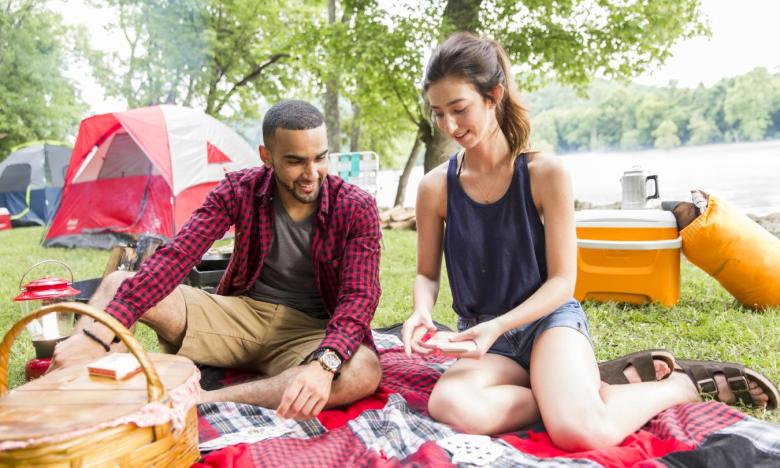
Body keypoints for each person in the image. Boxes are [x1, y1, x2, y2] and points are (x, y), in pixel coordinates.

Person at [401, 32, 772, 451]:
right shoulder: (436, 187)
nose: (449, 126)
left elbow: (563, 281)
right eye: (438, 114)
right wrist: (421, 310)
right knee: (452, 405)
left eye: (459, 109)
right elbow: (426, 274)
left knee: (581, 431)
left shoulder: (545, 173)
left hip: (548, 325)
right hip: (485, 340)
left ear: (494, 96)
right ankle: (579, 391)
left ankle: (680, 384)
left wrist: (499, 326)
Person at [50, 100, 383, 421]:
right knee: (118, 285)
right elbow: (178, 256)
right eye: (295, 161)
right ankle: (57, 390)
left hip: (310, 332)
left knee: (363, 370)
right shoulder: (238, 190)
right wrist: (96, 335)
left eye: (320, 158)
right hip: (240, 316)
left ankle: (200, 400)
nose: (312, 173)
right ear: (266, 157)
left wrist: (324, 365)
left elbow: (359, 298)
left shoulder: (356, 207)